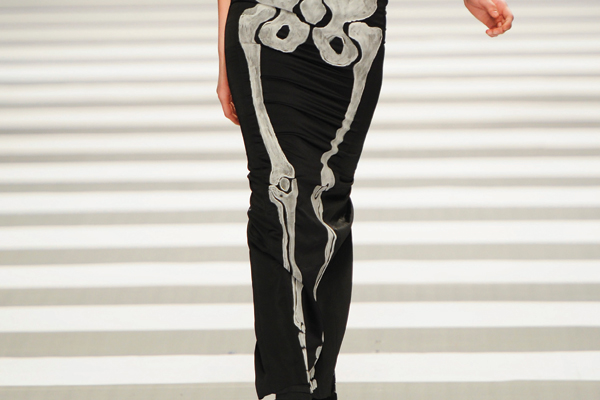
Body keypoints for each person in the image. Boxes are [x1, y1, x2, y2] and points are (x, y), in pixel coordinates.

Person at [216, 1, 513, 399]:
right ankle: (292, 386)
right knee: (278, 195)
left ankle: (318, 383)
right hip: (263, 26)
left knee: (326, 199)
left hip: (352, 30)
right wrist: (224, 59)